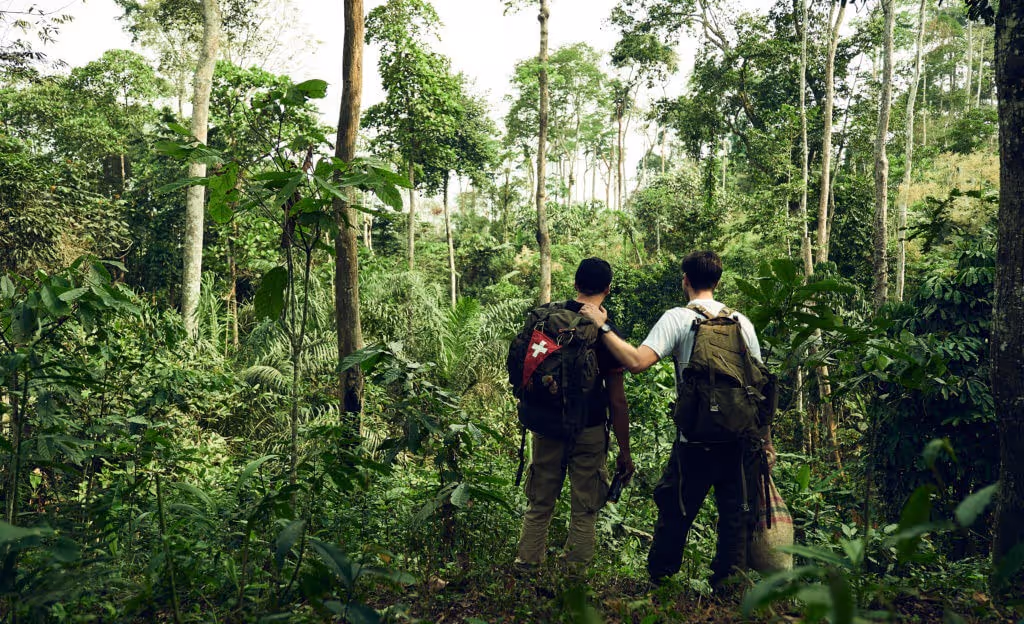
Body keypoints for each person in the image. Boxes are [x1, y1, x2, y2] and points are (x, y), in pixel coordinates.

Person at [581, 250, 774, 590]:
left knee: (675, 511)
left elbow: (637, 362)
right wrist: (767, 442)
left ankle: (662, 583)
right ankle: (727, 587)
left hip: (694, 442)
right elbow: (759, 388)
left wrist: (603, 327)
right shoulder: (742, 322)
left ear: (685, 280)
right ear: (718, 281)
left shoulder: (678, 318)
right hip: (740, 440)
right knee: (734, 518)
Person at [515, 257, 634, 571]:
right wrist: (624, 450)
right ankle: (574, 579)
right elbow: (617, 400)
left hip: (547, 424)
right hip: (590, 429)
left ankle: (527, 568)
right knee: (584, 509)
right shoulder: (605, 331)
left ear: (576, 284)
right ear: (607, 289)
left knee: (539, 503)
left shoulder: (547, 317)